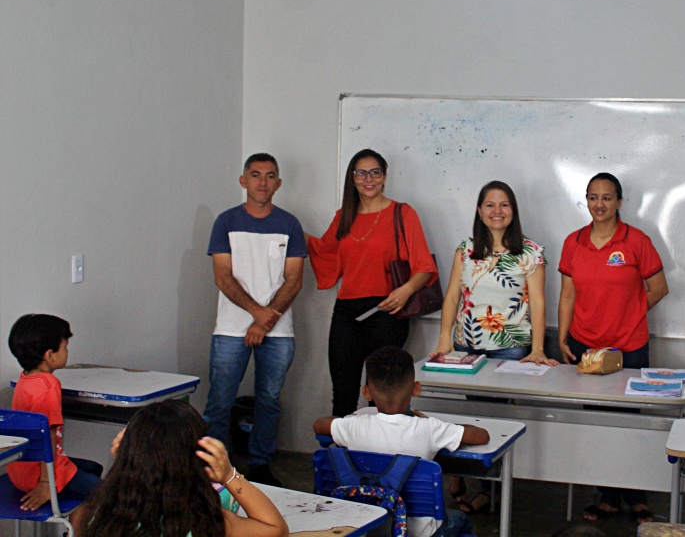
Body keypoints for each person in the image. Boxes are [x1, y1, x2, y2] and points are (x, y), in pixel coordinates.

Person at [429, 180, 557, 513]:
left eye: (504, 205)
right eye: (489, 204)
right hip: (466, 346)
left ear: (513, 211)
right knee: (471, 415)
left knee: (495, 419)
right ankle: (468, 478)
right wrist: (445, 339)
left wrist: (539, 348)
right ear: (479, 210)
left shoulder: (530, 251)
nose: (496, 211)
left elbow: (539, 302)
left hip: (511, 347)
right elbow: (453, 296)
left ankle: (487, 489)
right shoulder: (466, 249)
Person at [557, 172, 669, 524]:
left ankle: (637, 498)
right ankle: (606, 495)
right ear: (586, 201)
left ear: (619, 202)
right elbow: (568, 294)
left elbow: (659, 287)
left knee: (631, 422)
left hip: (629, 347)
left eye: (607, 197)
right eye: (593, 197)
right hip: (586, 345)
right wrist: (561, 337)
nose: (599, 204)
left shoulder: (636, 241)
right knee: (598, 421)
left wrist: (632, 313)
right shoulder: (573, 242)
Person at [307, 149, 438, 417]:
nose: (369, 178)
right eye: (361, 173)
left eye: (375, 172)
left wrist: (405, 291)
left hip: (387, 311)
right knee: (342, 392)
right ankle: (342, 456)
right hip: (346, 313)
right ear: (352, 178)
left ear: (384, 177)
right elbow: (323, 250)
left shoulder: (402, 213)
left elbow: (424, 267)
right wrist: (288, 229)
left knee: (383, 396)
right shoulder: (343, 216)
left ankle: (379, 457)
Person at [204, 152, 306, 487]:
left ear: (279, 183)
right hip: (230, 328)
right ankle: (217, 469)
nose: (263, 182)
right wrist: (257, 313)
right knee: (219, 402)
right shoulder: (226, 222)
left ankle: (261, 465)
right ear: (243, 180)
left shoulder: (290, 224)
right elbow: (223, 276)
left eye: (270, 175)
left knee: (269, 401)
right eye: (256, 175)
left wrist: (264, 322)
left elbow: (294, 279)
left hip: (277, 332)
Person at [314, 345, 489, 537]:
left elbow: (319, 424)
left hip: (364, 524)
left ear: (367, 392)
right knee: (461, 521)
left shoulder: (352, 426)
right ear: (416, 389)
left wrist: (344, 421)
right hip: (419, 530)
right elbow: (482, 436)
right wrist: (434, 422)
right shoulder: (430, 428)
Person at [74, 399, 288, 537]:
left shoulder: (96, 514)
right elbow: (275, 528)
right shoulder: (206, 522)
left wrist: (126, 460)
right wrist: (230, 475)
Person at [6, 314, 103, 511]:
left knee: (93, 468)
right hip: (43, 473)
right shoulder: (48, 386)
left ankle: (75, 530)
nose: (67, 351)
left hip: (20, 471)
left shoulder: (24, 380)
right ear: (50, 355)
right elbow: (47, 435)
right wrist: (46, 483)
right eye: (65, 347)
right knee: (111, 494)